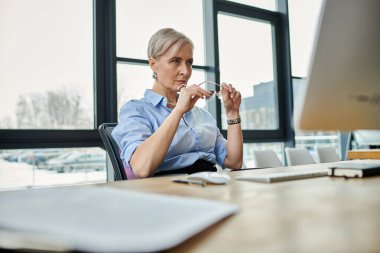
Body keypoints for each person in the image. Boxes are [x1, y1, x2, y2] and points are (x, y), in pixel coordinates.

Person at [112, 28, 243, 179]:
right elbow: (142, 168)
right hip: (169, 193)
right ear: (153, 64)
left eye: (189, 63)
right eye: (175, 61)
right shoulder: (136, 111)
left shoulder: (202, 115)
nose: (185, 71)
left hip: (209, 187)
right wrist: (178, 111)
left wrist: (232, 113)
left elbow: (234, 162)